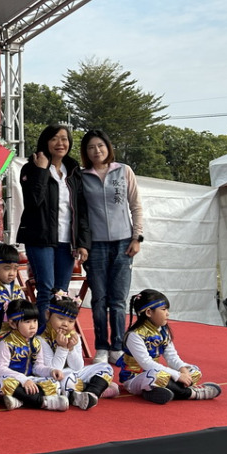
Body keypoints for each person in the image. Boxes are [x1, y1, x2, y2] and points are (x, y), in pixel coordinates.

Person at [79, 130, 144, 364]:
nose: (96, 151)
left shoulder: (124, 170)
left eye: (100, 146)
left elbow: (136, 205)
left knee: (118, 299)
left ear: (108, 147)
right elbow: (79, 214)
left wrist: (137, 237)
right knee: (99, 299)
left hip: (124, 242)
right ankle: (101, 347)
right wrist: (81, 244)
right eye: (91, 147)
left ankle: (117, 346)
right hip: (95, 245)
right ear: (85, 152)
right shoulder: (81, 176)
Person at [17, 123, 91, 319]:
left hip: (67, 241)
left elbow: (81, 210)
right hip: (40, 238)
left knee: (61, 291)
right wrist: (42, 170)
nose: (60, 143)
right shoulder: (31, 167)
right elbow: (33, 201)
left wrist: (83, 242)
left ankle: (57, 333)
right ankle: (43, 334)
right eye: (54, 138)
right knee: (46, 290)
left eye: (64, 139)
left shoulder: (73, 170)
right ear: (46, 142)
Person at [117, 289, 222, 404]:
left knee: (194, 371)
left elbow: (172, 357)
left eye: (167, 309)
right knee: (157, 375)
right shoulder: (134, 335)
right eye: (163, 309)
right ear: (149, 312)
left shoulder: (163, 331)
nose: (167, 313)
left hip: (153, 372)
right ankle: (191, 393)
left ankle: (155, 391)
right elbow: (146, 363)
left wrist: (182, 370)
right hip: (135, 378)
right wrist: (177, 375)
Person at [37, 292, 116, 411]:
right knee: (64, 381)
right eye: (60, 318)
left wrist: (71, 348)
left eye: (70, 321)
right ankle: (97, 389)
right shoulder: (41, 338)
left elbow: (78, 367)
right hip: (56, 376)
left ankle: (91, 393)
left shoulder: (74, 336)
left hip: (73, 373)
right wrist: (62, 348)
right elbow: (54, 369)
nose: (65, 324)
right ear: (48, 314)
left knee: (106, 367)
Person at [0, 299, 69, 411]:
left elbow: (38, 366)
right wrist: (23, 379)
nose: (33, 326)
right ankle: (43, 402)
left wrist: (51, 371)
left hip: (29, 379)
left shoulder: (36, 342)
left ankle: (20, 400)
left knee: (54, 382)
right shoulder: (6, 343)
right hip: (13, 380)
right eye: (27, 322)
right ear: (13, 323)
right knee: (3, 383)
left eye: (35, 321)